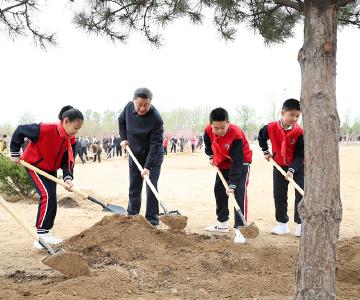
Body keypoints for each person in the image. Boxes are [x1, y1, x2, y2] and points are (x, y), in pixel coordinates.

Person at [10, 106, 83, 248]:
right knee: (47, 195)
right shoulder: (45, 129)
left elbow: (68, 160)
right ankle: (39, 237)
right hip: (34, 165)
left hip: (50, 169)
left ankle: (45, 233)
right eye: (75, 127)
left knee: (52, 198)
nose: (76, 131)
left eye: (79, 128)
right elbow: (20, 130)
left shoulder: (70, 139)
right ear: (66, 121)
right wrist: (14, 152)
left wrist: (68, 177)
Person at [204, 107, 252, 244]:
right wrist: (210, 155)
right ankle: (222, 224)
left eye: (222, 127)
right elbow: (207, 140)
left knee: (238, 194)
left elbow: (237, 161)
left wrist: (233, 183)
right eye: (216, 128)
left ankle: (240, 229)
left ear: (228, 123)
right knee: (219, 191)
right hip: (222, 163)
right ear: (211, 124)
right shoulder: (208, 130)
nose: (219, 131)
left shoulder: (236, 134)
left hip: (241, 164)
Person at [258, 98, 304, 237]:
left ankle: (301, 224)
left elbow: (300, 154)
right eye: (291, 115)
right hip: (278, 166)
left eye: (297, 116)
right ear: (283, 113)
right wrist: (266, 151)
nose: (294, 118)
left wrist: (292, 170)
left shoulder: (299, 132)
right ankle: (282, 225)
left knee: (300, 194)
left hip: (298, 167)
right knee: (279, 195)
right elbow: (261, 137)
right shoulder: (271, 127)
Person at [119, 88, 164, 226]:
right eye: (139, 105)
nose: (142, 108)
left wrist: (147, 167)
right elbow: (121, 121)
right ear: (134, 101)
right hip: (135, 154)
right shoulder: (128, 108)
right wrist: (124, 138)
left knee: (151, 187)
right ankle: (132, 216)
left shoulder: (156, 119)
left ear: (150, 103)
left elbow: (156, 145)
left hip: (153, 158)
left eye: (146, 105)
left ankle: (152, 219)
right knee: (134, 186)